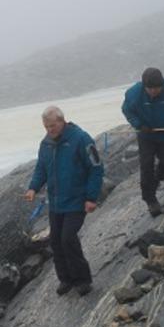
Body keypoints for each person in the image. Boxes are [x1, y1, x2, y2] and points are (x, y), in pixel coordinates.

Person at [24, 106, 104, 296]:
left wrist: (91, 198)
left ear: (62, 121)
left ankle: (83, 279)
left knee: (68, 239)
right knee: (56, 241)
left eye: (52, 126)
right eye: (46, 127)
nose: (49, 130)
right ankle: (65, 278)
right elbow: (41, 169)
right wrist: (33, 188)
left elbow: (96, 168)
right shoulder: (45, 143)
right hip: (56, 202)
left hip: (77, 200)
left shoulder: (81, 138)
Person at [122, 67, 164, 216]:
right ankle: (150, 200)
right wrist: (139, 125)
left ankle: (157, 178)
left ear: (162, 85)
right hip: (146, 135)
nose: (154, 91)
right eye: (150, 89)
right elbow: (127, 110)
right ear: (144, 86)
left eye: (157, 88)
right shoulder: (133, 94)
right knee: (146, 165)